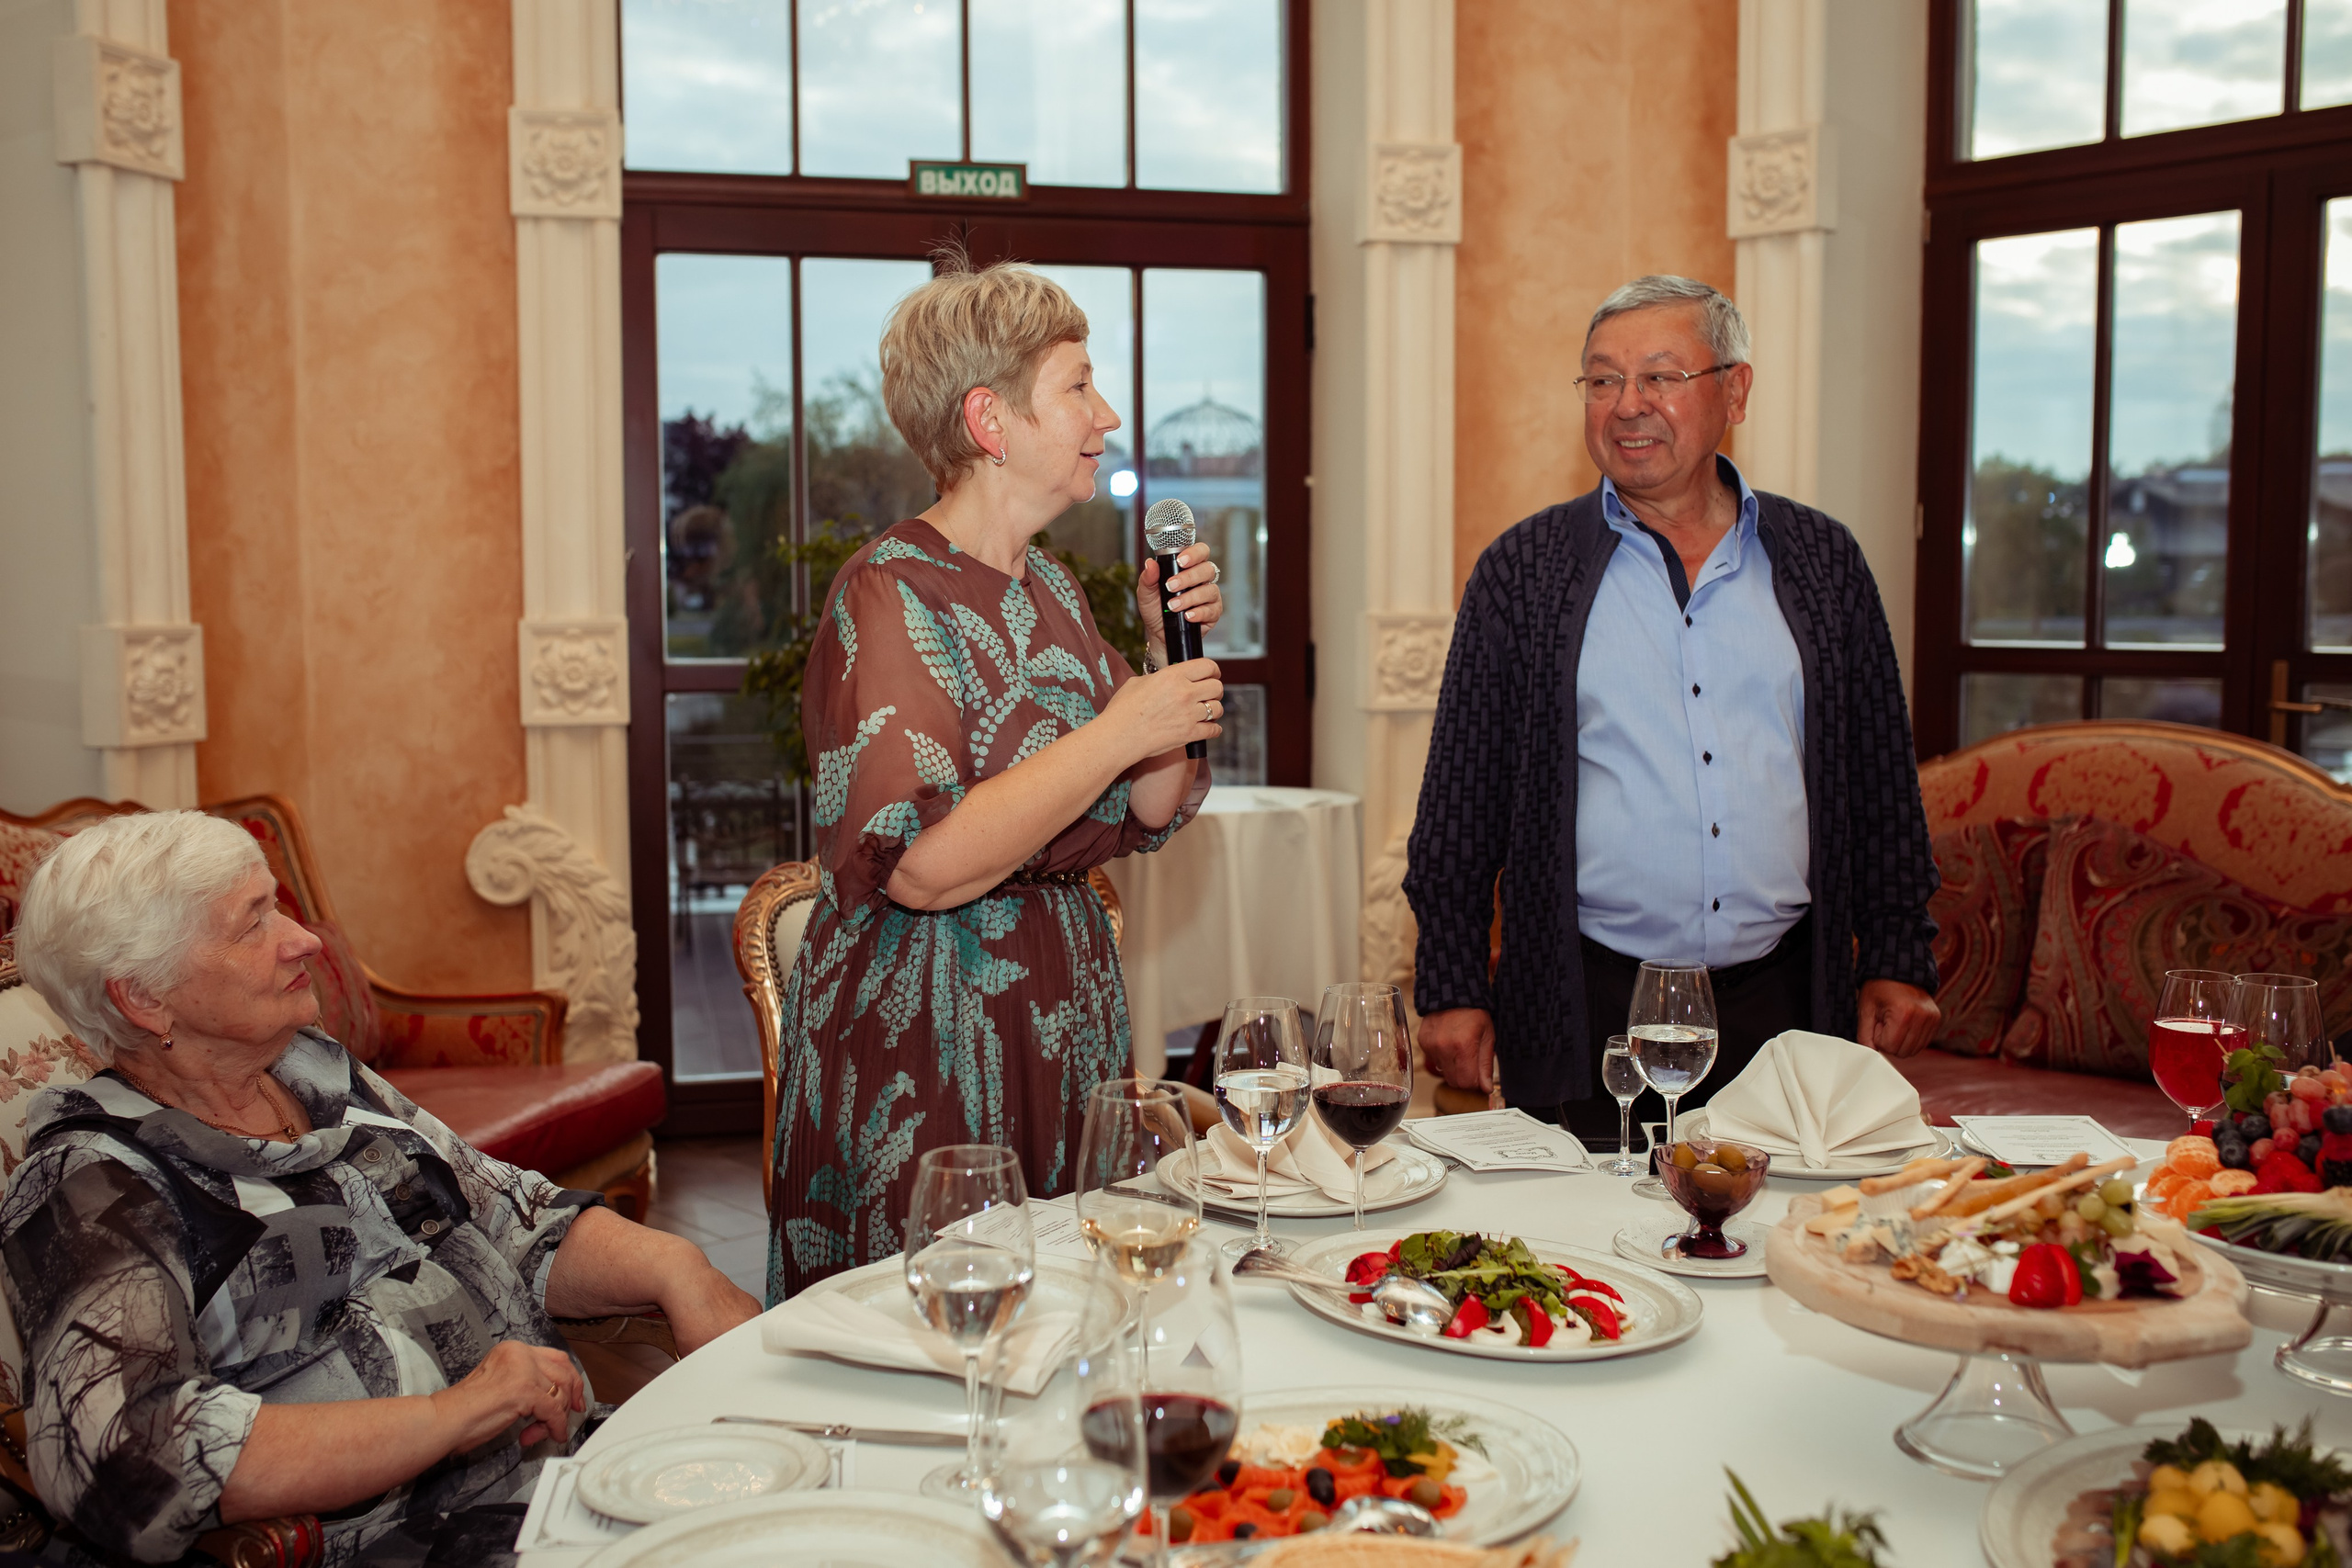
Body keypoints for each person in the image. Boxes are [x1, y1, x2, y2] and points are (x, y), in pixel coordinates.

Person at [3, 810, 763, 1566]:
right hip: (395, 1544)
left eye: (278, 904)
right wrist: (452, 1414)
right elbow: (122, 1458)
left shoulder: (316, 1071)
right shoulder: (93, 1181)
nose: (303, 938)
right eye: (253, 923)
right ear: (145, 998)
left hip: (557, 1480)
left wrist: (676, 1267)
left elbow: (503, 1209)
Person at [767, 258, 1224, 1302]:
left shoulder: (1055, 586)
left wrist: (1161, 659)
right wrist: (1118, 731)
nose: (1104, 415)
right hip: (927, 1049)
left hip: (1065, 1023)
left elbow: (1154, 804)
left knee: (1072, 1328)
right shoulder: (884, 595)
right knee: (936, 1348)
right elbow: (923, 868)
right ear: (989, 418)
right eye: (1076, 385)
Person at [1404, 276, 1941, 1147]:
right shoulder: (1524, 572)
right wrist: (1454, 983)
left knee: (1780, 1255)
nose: (1627, 406)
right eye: (1603, 380)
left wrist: (1895, 957)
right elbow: (1461, 801)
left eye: (1659, 376)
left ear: (1734, 390)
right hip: (1592, 1002)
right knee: (1591, 1258)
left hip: (1786, 1000)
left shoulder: (1823, 561)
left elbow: (1881, 781)